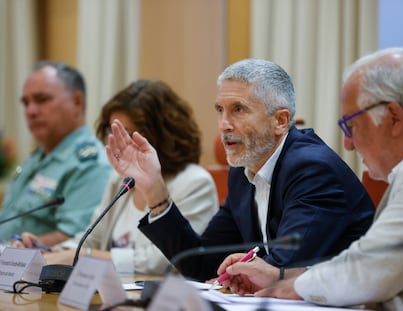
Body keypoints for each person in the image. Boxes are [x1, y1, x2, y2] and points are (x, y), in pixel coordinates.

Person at [106, 58, 375, 282]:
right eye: (220, 110)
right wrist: (154, 189)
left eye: (238, 110)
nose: (224, 124)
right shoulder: (242, 172)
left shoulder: (312, 169)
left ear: (280, 121)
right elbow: (199, 262)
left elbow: (281, 269)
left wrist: (236, 275)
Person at [216, 47, 403, 311]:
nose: (348, 144)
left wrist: (289, 284)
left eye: (351, 126)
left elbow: (370, 270)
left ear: (394, 117)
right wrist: (281, 276)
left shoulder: (311, 166)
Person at [32, 79, 218, 275]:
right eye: (113, 133)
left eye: (127, 134)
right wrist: (47, 251)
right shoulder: (120, 179)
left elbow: (164, 261)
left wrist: (88, 257)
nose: (119, 144)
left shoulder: (195, 183)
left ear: (163, 134)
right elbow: (92, 239)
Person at [0, 61, 112, 247]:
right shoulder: (37, 157)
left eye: (42, 100)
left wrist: (13, 251)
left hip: (35, 272)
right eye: (26, 103)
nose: (30, 111)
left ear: (77, 102)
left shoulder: (90, 164)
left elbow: (75, 238)